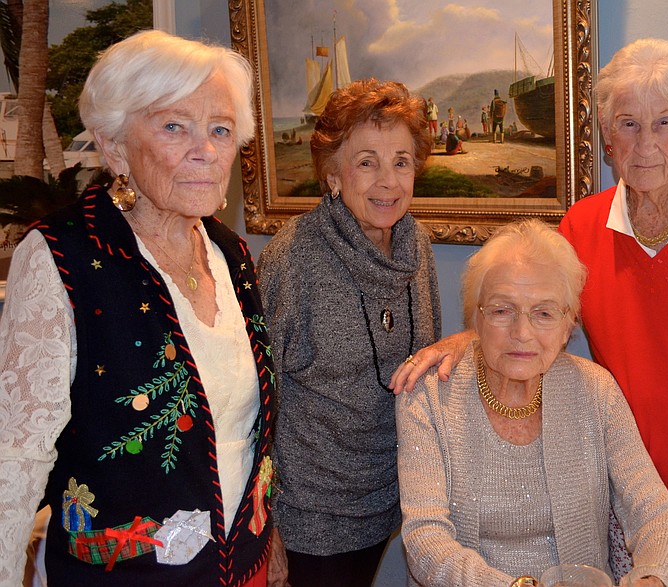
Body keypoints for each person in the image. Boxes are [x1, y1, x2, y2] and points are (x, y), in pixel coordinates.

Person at [391, 37, 668, 580]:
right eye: (628, 124)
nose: (645, 144)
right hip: (624, 494)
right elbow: (533, 309)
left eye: (665, 123)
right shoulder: (581, 228)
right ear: (607, 136)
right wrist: (463, 339)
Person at [0, 30, 277, 586]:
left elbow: (247, 429)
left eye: (220, 129)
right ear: (115, 146)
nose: (206, 150)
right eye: (175, 126)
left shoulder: (231, 253)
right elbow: (17, 456)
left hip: (240, 567)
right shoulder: (63, 255)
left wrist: (272, 540)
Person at [396, 219, 668, 587]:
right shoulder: (428, 395)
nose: (522, 333)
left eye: (544, 313)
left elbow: (655, 513)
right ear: (476, 318)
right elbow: (425, 540)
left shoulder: (595, 390)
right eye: (502, 310)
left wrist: (655, 577)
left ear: (568, 326)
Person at [257, 78, 441, 587]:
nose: (388, 181)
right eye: (366, 162)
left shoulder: (416, 245)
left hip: (392, 497)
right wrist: (264, 521)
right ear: (333, 175)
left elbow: (425, 364)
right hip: (310, 517)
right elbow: (253, 396)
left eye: (401, 161)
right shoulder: (294, 257)